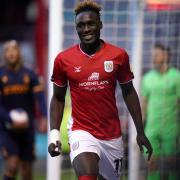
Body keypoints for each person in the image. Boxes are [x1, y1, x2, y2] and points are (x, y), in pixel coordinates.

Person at [48, 1, 153, 180]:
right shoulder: (63, 60)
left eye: (91, 24)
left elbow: (129, 92)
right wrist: (54, 134)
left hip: (111, 136)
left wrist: (140, 132)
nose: (86, 29)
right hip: (81, 130)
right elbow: (58, 98)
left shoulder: (118, 55)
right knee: (87, 175)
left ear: (100, 25)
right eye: (80, 25)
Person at [0, 40, 47, 180]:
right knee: (12, 166)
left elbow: (40, 98)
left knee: (26, 171)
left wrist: (43, 117)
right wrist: (10, 120)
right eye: (7, 50)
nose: (11, 53)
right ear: (4, 54)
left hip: (27, 128)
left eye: (14, 49)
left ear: (19, 52)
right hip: (7, 128)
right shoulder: (1, 75)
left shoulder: (30, 74)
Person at [141, 44, 180, 180]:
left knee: (172, 163)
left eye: (157, 55)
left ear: (166, 56)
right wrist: (141, 128)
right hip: (152, 127)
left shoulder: (177, 76)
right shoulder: (147, 78)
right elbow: (144, 104)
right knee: (152, 162)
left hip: (171, 127)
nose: (153, 57)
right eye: (153, 55)